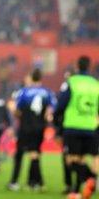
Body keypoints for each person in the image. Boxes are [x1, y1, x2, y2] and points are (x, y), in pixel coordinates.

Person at [55, 56, 99, 199]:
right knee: (80, 159)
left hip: (73, 126)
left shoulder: (71, 82)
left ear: (77, 66)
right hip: (90, 127)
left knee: (71, 160)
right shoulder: (95, 84)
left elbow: (61, 105)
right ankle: (77, 191)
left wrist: (57, 123)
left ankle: (90, 178)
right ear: (89, 67)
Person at [7, 69, 55, 192]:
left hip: (25, 127)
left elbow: (17, 110)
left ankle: (14, 182)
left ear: (31, 78)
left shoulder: (24, 92)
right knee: (35, 154)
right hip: (39, 128)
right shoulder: (47, 92)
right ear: (40, 78)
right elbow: (51, 110)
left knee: (19, 154)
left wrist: (14, 111)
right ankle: (35, 183)